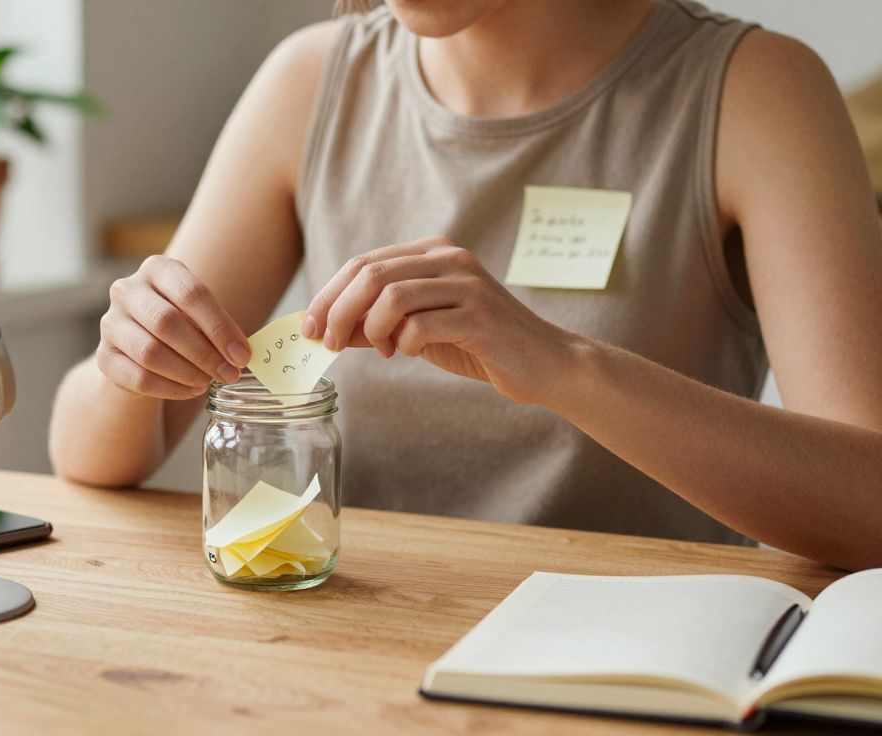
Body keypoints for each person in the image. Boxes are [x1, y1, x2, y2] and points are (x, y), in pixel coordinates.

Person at [49, 0, 882, 570]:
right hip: (355, 647)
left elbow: (869, 503)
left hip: (639, 673)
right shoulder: (309, 80)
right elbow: (91, 452)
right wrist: (131, 363)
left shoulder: (756, 88)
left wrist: (558, 365)